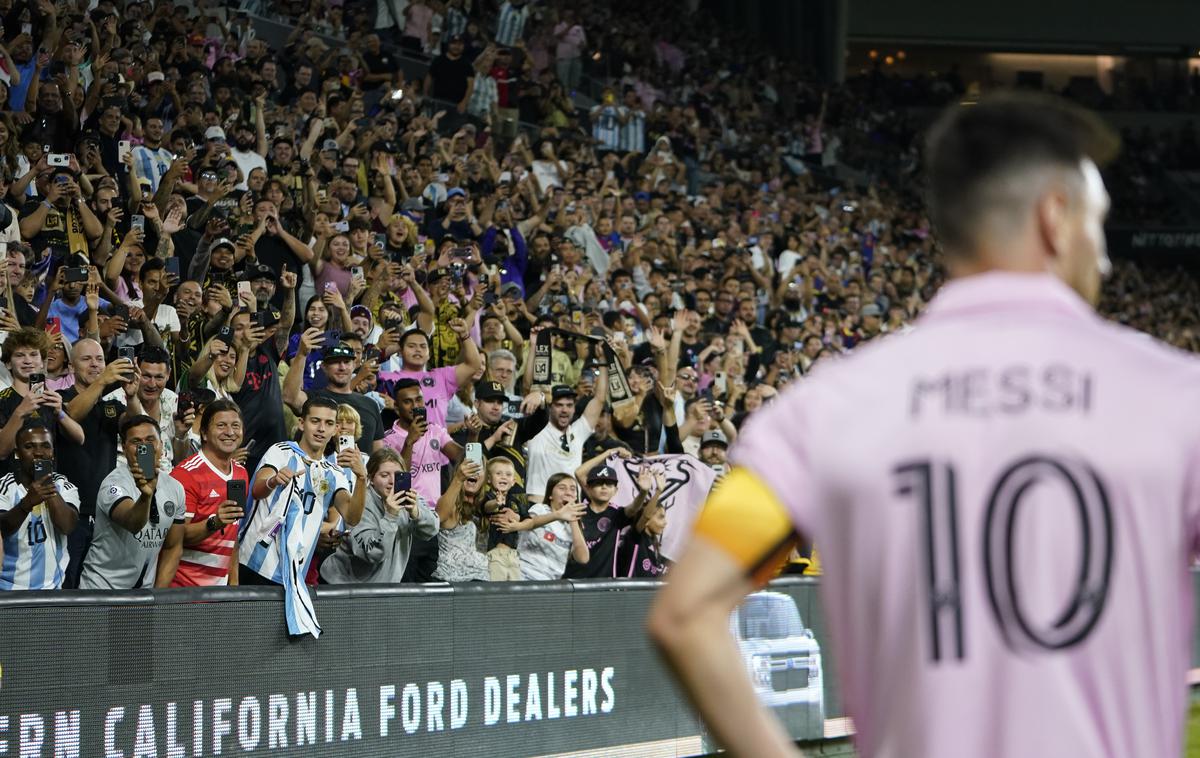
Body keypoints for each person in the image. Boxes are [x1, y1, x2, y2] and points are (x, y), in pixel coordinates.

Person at [648, 92, 1188, 758]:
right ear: (1055, 217)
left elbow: (685, 613)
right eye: (1098, 225)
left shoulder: (824, 410)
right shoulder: (1172, 396)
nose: (1103, 258)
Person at [238, 396, 367, 637]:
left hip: (292, 575)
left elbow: (352, 515)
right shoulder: (281, 451)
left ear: (336, 429)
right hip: (255, 565)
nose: (321, 428)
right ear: (301, 423)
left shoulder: (335, 473)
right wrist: (273, 481)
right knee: (244, 640)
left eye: (328, 423)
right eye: (315, 421)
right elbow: (256, 489)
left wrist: (361, 478)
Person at [77, 415, 187, 590]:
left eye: (150, 440)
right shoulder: (113, 483)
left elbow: (173, 547)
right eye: (136, 441)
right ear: (124, 448)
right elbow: (132, 523)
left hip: (144, 595)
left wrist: (157, 596)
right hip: (102, 589)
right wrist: (145, 497)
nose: (144, 446)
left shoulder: (175, 488)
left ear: (161, 445)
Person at [320, 447, 439, 584]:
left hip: (384, 585)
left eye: (398, 475)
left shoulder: (409, 498)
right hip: (343, 584)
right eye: (384, 475)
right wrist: (391, 516)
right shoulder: (361, 504)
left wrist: (416, 512)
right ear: (371, 478)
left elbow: (432, 529)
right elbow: (372, 553)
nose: (392, 481)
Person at [169, 399, 249, 587]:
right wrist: (215, 522)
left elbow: (233, 533)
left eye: (235, 426)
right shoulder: (185, 474)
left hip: (220, 592)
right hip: (184, 589)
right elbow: (175, 536)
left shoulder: (240, 473)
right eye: (221, 425)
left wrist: (234, 585)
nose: (230, 432)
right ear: (204, 433)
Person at [0, 423, 80, 590]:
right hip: (9, 591)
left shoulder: (64, 486)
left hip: (52, 591)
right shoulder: (5, 487)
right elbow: (2, 528)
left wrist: (48, 486)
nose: (38, 453)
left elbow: (67, 526)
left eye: (46, 446)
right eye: (29, 446)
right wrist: (26, 504)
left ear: (52, 453)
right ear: (17, 453)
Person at [524, 365, 608, 503]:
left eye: (569, 405)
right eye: (559, 405)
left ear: (574, 408)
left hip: (571, 507)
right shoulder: (537, 429)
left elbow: (599, 399)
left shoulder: (578, 431)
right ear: (550, 407)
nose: (564, 410)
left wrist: (604, 362)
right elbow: (528, 390)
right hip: (540, 505)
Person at [564, 456, 655, 579]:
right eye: (599, 483)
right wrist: (608, 452)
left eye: (609, 484)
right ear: (588, 489)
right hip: (572, 581)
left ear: (616, 490)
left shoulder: (617, 514)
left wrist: (643, 492)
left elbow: (633, 508)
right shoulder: (575, 511)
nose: (604, 487)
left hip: (604, 584)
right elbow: (579, 473)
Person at [509, 472, 588, 580]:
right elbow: (529, 523)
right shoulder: (540, 509)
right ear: (550, 495)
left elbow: (583, 558)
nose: (568, 493)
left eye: (573, 489)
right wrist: (558, 514)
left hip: (549, 584)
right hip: (522, 575)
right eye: (562, 488)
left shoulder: (574, 527)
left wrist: (573, 520)